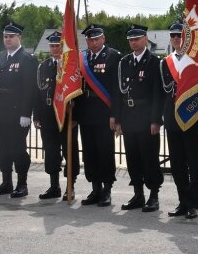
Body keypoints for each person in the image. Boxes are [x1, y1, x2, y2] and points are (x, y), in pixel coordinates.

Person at [113, 24, 163, 212]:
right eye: (131, 40)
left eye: (137, 39)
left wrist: (156, 120)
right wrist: (117, 119)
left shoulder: (154, 62)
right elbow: (118, 92)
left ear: (145, 39)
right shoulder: (124, 62)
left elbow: (158, 94)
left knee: (149, 157)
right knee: (132, 157)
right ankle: (138, 194)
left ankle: (153, 195)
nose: (134, 42)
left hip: (146, 116)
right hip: (129, 116)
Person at [0, 22, 38, 198]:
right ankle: (6, 182)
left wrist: (26, 113)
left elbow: (30, 88)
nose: (7, 39)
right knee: (2, 149)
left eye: (11, 36)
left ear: (19, 38)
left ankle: (22, 184)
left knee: (17, 149)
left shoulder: (27, 59)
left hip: (17, 113)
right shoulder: (0, 58)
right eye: (5, 36)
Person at [75, 24, 121, 207]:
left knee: (105, 151)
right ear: (86, 40)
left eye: (96, 39)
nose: (93, 42)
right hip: (86, 111)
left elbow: (117, 90)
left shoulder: (113, 56)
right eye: (90, 39)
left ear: (103, 39)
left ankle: (107, 190)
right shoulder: (82, 57)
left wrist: (114, 114)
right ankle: (95, 188)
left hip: (104, 112)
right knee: (89, 152)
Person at [161, 21, 198, 219]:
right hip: (172, 117)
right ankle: (183, 201)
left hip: (191, 116)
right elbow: (165, 91)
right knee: (177, 164)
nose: (176, 38)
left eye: (180, 35)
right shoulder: (165, 62)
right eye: (173, 36)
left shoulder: (195, 60)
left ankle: (194, 203)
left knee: (193, 162)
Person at [34, 31, 80, 200]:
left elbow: (77, 93)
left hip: (67, 117)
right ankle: (54, 186)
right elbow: (37, 93)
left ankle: (70, 186)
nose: (54, 49)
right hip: (48, 116)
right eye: (52, 46)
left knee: (70, 153)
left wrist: (76, 117)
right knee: (51, 153)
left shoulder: (71, 66)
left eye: (57, 46)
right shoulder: (43, 66)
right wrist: (36, 116)